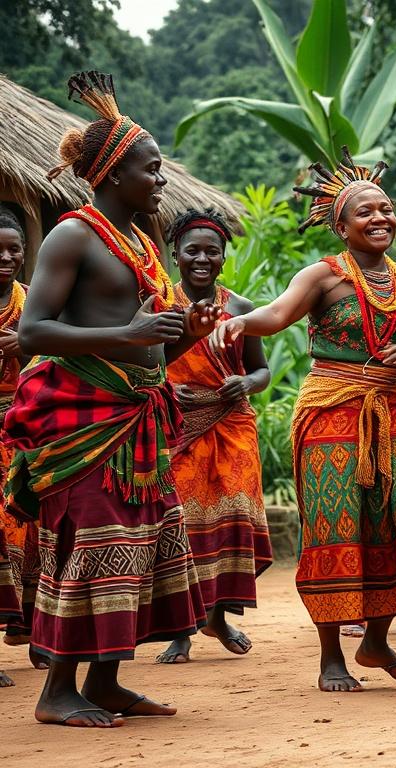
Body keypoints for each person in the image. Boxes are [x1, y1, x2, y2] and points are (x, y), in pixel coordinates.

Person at [3, 71, 217, 726]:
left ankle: (106, 681)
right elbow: (32, 332)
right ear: (112, 173)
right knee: (92, 547)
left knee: (140, 544)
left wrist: (187, 339)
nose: (160, 179)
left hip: (142, 417)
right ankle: (57, 692)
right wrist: (127, 331)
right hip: (88, 420)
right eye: (150, 169)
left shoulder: (142, 243)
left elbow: (152, 349)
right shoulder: (74, 235)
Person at [213, 149, 396, 692]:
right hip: (331, 413)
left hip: (395, 414)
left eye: (386, 209)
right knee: (336, 527)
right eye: (366, 212)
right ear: (341, 225)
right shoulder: (322, 277)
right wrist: (234, 323)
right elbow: (274, 315)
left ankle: (376, 638)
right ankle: (331, 657)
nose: (380, 219)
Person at [155, 209, 273, 664]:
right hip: (177, 426)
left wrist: (247, 382)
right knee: (180, 525)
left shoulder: (241, 308)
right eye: (193, 251)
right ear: (176, 255)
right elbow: (141, 362)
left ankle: (219, 616)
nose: (202, 259)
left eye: (212, 251)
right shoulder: (160, 306)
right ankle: (182, 631)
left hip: (231, 422)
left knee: (234, 519)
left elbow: (261, 369)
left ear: (223, 257)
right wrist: (167, 386)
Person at [0, 208, 44, 684]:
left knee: (29, 532)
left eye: (15, 250)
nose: (7, 258)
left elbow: (53, 358)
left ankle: (35, 639)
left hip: (22, 431)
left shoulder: (33, 303)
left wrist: (25, 346)